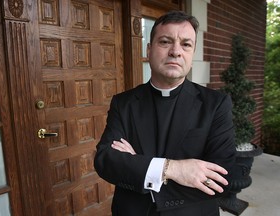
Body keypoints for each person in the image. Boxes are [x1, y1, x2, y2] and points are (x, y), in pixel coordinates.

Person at [94, 10, 236, 216]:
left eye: (186, 44)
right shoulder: (123, 103)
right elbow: (106, 161)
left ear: (192, 52)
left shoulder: (215, 104)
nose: (175, 51)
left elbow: (222, 179)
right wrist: (173, 169)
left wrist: (139, 165)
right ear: (149, 49)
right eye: (165, 42)